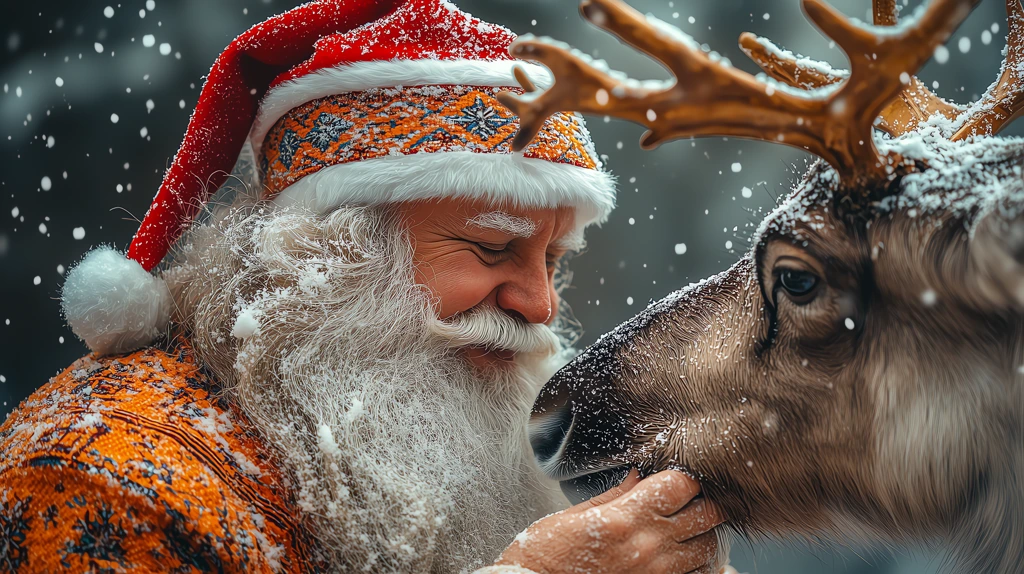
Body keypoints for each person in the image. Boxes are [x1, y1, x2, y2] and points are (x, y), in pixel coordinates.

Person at [0, 0, 731, 572]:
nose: (541, 306)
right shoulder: (103, 472)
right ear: (326, 253)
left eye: (555, 261)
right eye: (491, 247)